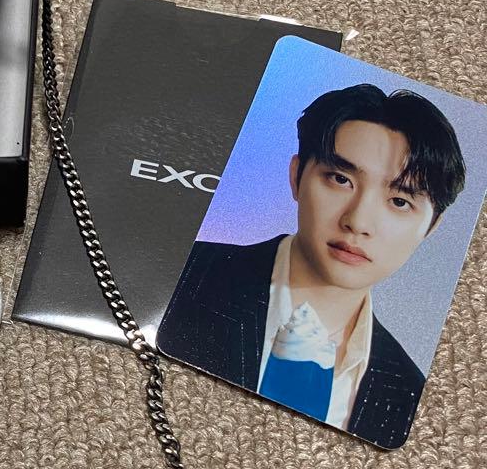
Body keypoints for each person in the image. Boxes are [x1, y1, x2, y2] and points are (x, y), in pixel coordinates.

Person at [157, 83, 466, 448]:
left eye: (399, 201)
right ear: (296, 177)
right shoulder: (182, 272)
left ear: (431, 227)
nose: (358, 222)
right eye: (341, 179)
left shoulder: (411, 394)